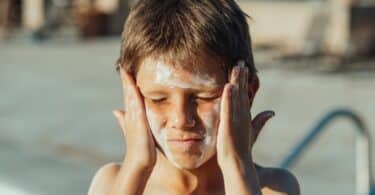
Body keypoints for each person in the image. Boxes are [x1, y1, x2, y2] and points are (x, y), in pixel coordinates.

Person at [88, 0, 300, 194]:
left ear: (247, 93)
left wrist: (237, 165)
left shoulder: (273, 188)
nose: (181, 120)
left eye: (204, 97)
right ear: (131, 96)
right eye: (158, 99)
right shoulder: (113, 184)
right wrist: (137, 167)